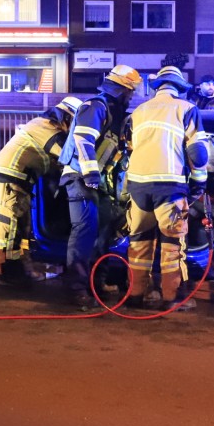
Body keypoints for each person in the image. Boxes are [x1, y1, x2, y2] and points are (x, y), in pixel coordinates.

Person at [123, 66, 209, 309]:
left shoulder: (139, 111)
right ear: (179, 88)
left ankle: (136, 295)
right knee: (172, 244)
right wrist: (199, 183)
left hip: (138, 187)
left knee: (139, 241)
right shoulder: (186, 109)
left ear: (157, 87)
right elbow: (198, 153)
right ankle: (172, 298)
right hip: (169, 187)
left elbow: (130, 148)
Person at [58, 65, 141, 308]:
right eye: (130, 92)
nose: (132, 97)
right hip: (79, 177)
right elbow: (84, 140)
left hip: (97, 182)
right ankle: (76, 289)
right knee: (85, 230)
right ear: (122, 90)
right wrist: (91, 173)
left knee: (104, 230)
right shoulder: (95, 107)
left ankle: (96, 283)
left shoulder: (116, 115)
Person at [0, 96, 84, 286]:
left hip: (19, 179)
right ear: (67, 117)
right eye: (75, 122)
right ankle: (6, 273)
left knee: (22, 228)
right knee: (10, 229)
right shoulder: (45, 127)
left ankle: (22, 269)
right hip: (11, 177)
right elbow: (65, 155)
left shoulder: (47, 126)